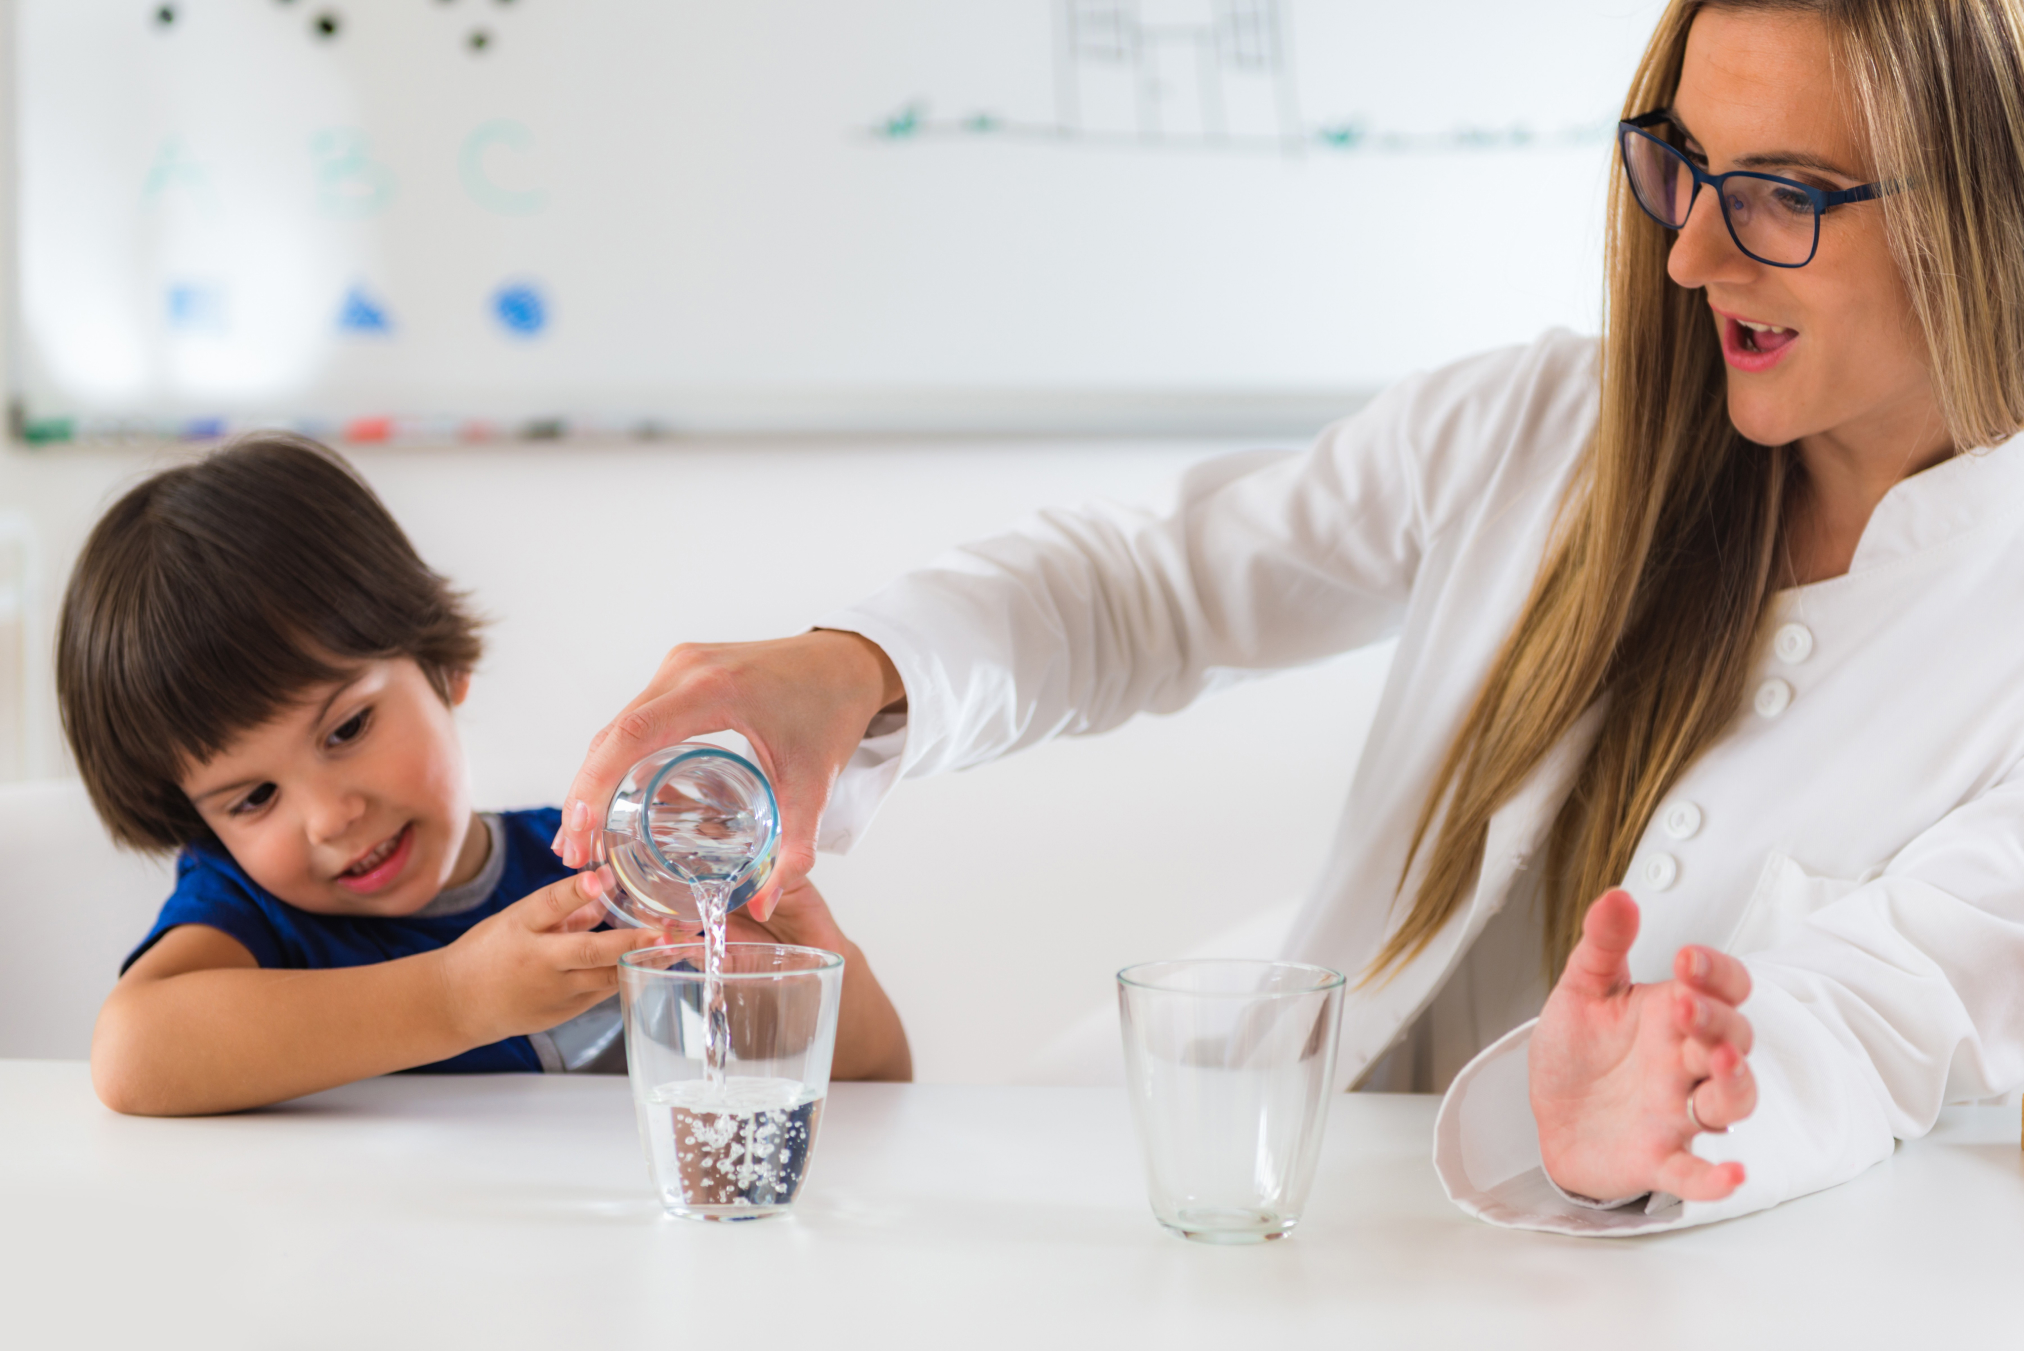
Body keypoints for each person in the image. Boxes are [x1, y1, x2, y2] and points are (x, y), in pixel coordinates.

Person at [555, 0, 2024, 1235]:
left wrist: (1674, 1099)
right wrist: (855, 667)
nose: (1688, 255)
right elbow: (1153, 588)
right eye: (1680, 166)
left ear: (1989, 203)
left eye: (1781, 195)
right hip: (1288, 1217)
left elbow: (1888, 1008)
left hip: (1678, 1284)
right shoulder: (1537, 430)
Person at [68, 436, 911, 1117]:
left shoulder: (599, 877)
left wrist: (814, 969)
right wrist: (455, 996)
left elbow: (880, 1084)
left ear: (443, 668)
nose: (330, 815)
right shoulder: (245, 914)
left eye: (347, 728)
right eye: (254, 797)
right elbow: (135, 1053)